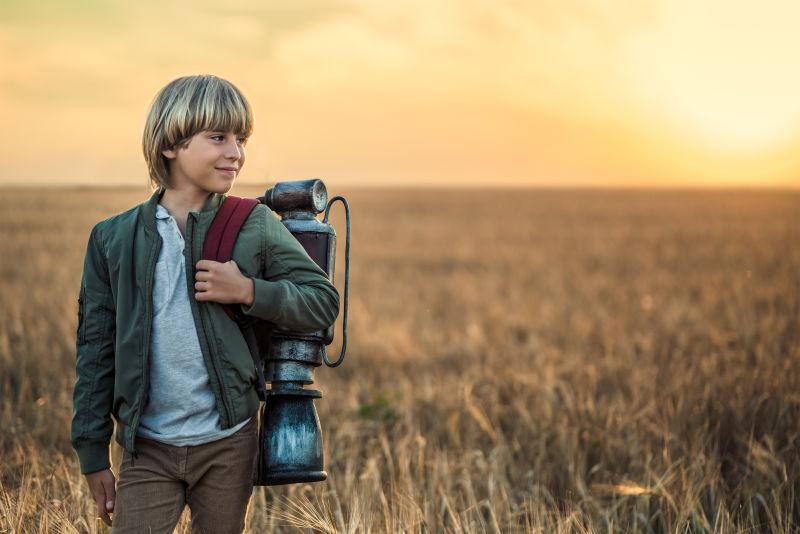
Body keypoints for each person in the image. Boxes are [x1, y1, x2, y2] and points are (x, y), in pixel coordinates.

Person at [71, 74, 340, 533]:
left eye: (241, 139)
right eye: (218, 137)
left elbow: (322, 302)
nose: (235, 151)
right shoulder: (113, 238)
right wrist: (93, 452)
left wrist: (250, 292)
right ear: (171, 144)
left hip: (229, 441)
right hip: (147, 447)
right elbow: (95, 350)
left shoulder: (252, 223)